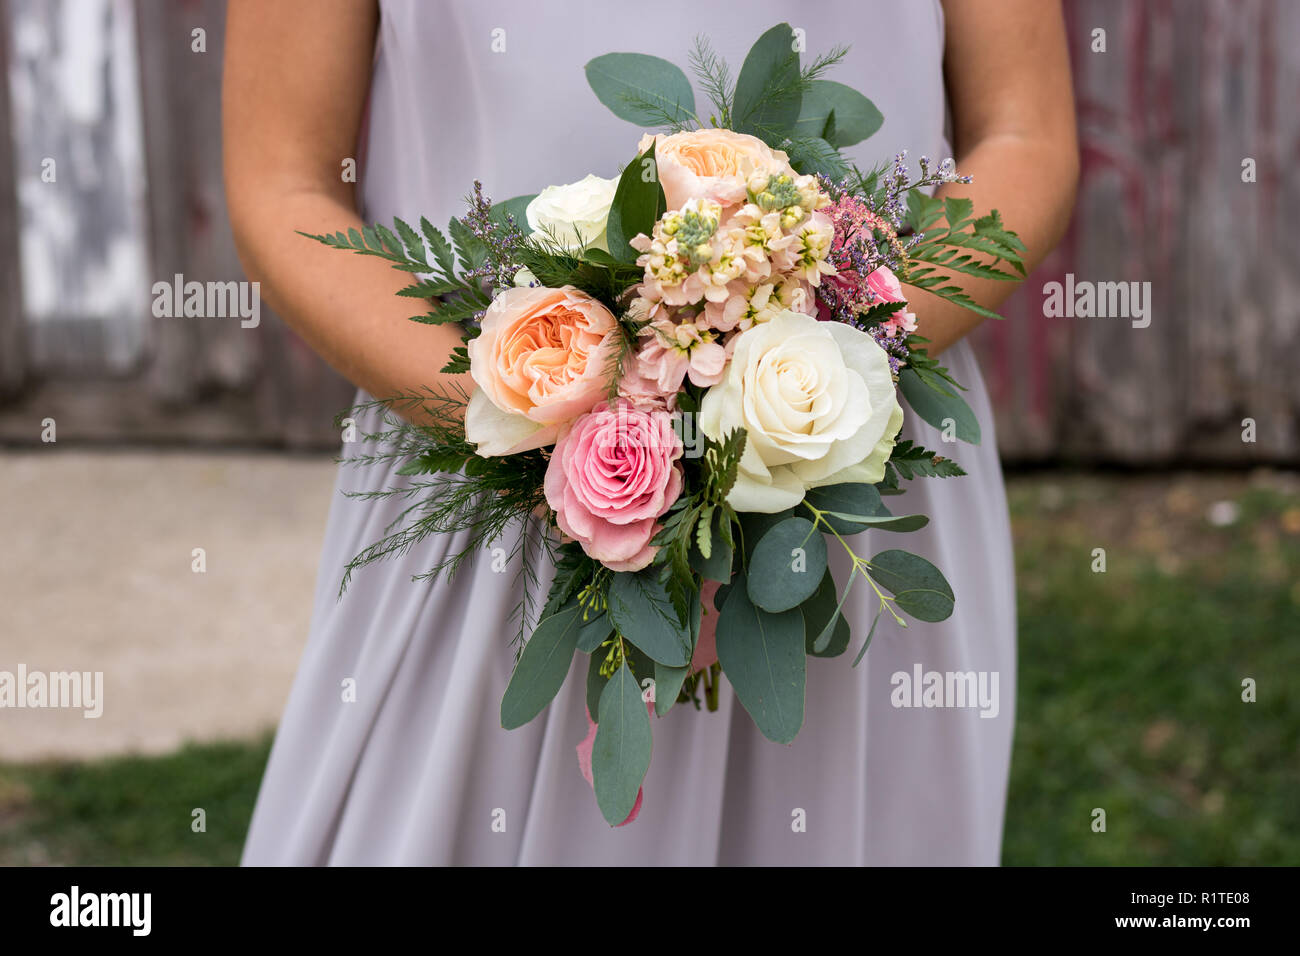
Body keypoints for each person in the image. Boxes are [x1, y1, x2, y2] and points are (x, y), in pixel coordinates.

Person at [224, 0, 1078, 865]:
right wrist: (534, 417)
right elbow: (283, 182)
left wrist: (813, 367)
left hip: (840, 453)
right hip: (488, 483)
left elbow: (1024, 134)